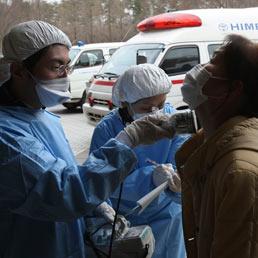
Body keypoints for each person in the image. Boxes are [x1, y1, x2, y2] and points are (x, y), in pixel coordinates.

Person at [0, 21, 176, 258]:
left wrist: (93, 208)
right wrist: (128, 140)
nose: (65, 76)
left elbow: (66, 173)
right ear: (19, 70)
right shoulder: (7, 136)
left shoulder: (43, 117)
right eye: (56, 66)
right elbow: (62, 191)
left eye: (67, 66)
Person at [89, 64, 190, 258]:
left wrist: (178, 186)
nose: (156, 113)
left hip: (167, 216)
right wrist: (149, 178)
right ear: (125, 102)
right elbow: (101, 177)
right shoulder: (107, 130)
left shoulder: (175, 121)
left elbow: (184, 171)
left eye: (161, 105)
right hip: (126, 218)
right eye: (146, 108)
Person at [177, 34, 258, 258]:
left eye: (214, 60)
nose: (200, 67)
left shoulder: (240, 173)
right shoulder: (212, 152)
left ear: (233, 89)